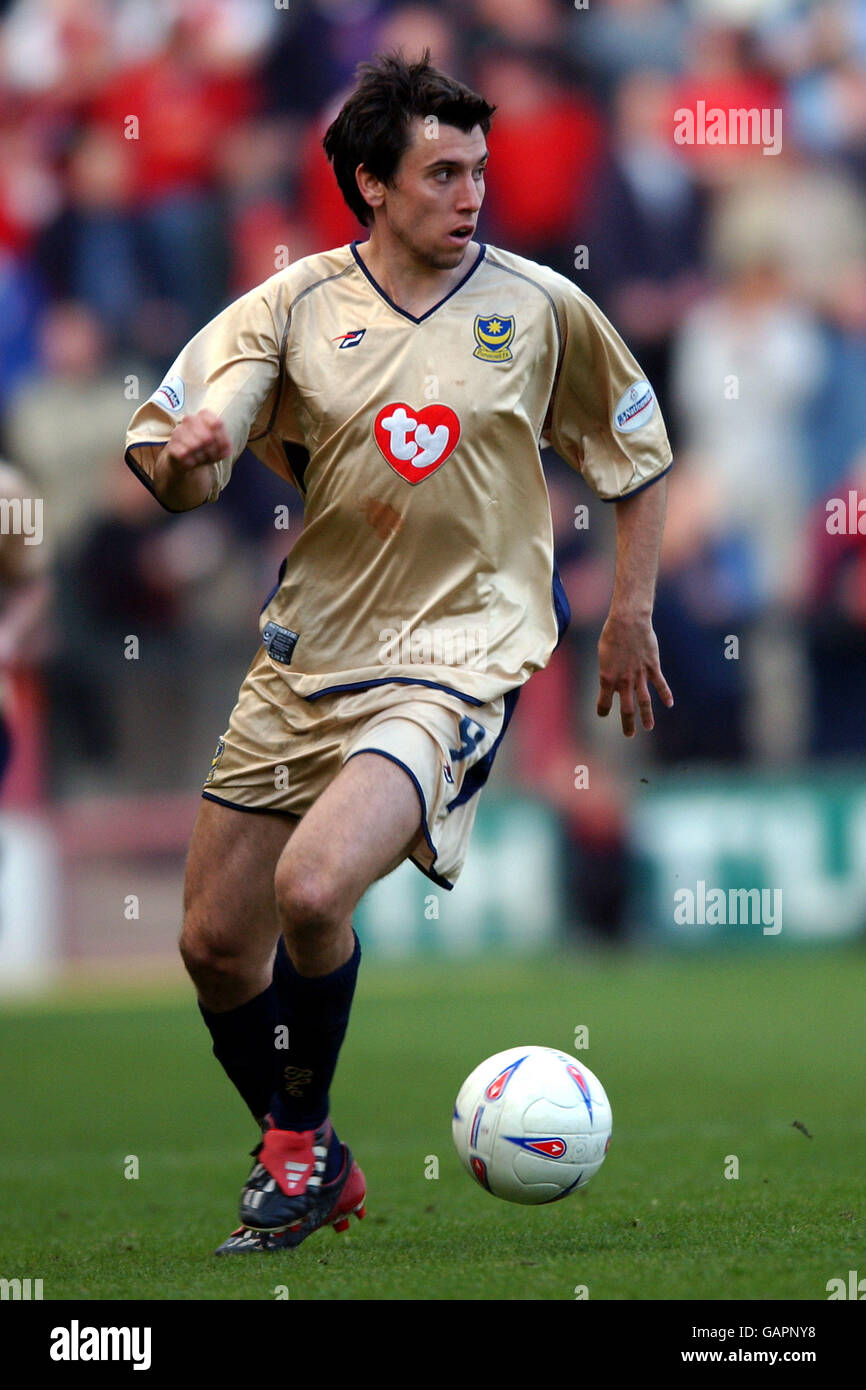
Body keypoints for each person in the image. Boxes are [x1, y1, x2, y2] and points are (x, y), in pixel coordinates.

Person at [124, 52, 673, 1256]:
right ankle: (315, 1154)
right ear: (370, 183)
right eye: (440, 172)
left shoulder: (536, 305)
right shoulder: (289, 306)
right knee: (216, 945)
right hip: (308, 650)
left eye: (478, 169)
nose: (470, 192)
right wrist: (191, 454)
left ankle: (288, 1154)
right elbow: (177, 457)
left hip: (459, 654)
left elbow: (635, 453)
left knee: (312, 889)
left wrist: (628, 611)